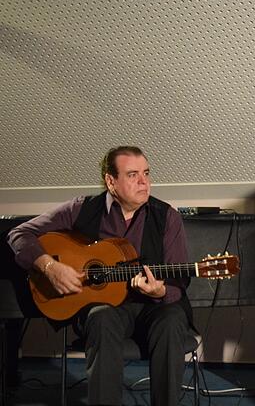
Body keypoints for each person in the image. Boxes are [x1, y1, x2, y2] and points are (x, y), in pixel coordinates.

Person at [7, 146, 192, 406]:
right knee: (101, 317)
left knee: (173, 317)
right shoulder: (81, 209)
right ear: (110, 181)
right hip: (103, 309)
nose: (144, 182)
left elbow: (178, 280)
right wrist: (50, 267)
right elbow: (18, 234)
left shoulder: (167, 217)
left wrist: (160, 291)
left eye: (147, 173)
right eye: (132, 175)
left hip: (152, 308)